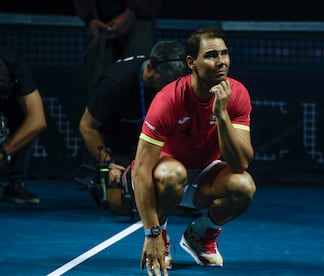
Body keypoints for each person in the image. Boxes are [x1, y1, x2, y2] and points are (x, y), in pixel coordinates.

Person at [131, 26, 256, 274]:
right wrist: (151, 232)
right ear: (192, 62)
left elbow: (240, 163)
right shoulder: (169, 99)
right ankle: (163, 234)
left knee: (244, 186)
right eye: (211, 55)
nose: (221, 62)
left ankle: (200, 235)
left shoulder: (237, 94)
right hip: (164, 174)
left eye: (224, 53)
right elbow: (141, 171)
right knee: (172, 174)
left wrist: (221, 115)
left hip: (204, 175)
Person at [78, 40, 188, 214]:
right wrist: (109, 164)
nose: (167, 88)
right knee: (120, 204)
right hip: (116, 145)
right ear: (150, 68)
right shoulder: (115, 83)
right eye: (164, 81)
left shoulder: (175, 86)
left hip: (151, 143)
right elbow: (87, 126)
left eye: (171, 83)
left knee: (178, 197)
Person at [73, 0, 162, 96]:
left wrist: (132, 11)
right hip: (99, 20)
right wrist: (89, 17)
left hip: (140, 18)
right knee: (97, 88)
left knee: (140, 85)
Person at [0, 45, 47, 204]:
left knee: (25, 122)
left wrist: (2, 152)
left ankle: (15, 183)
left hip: (12, 101)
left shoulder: (15, 64)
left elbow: (38, 121)